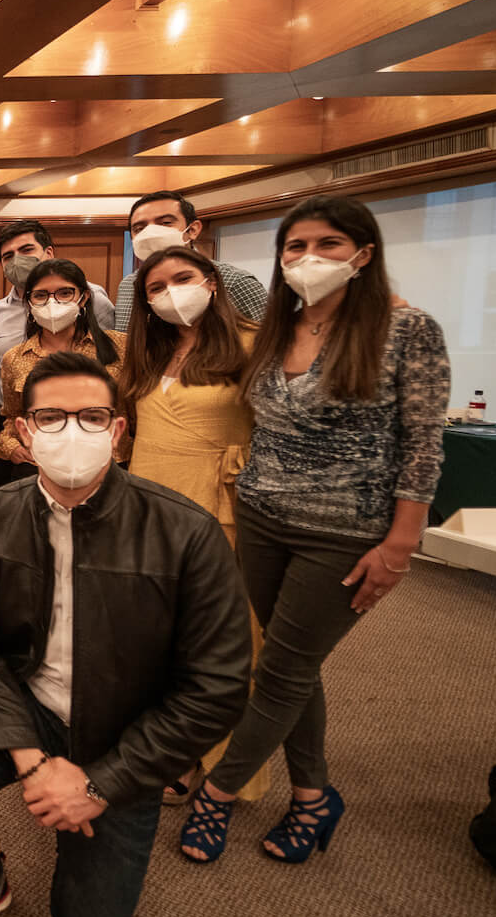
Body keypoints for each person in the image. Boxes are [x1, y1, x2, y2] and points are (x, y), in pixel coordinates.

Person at [0, 352, 251, 917]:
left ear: (117, 431)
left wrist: (101, 785)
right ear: (23, 433)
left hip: (126, 726)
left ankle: (90, 825)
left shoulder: (186, 531)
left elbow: (218, 686)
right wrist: (33, 763)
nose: (72, 432)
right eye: (51, 417)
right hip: (27, 701)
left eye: (91, 417)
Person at [180, 196, 449, 864]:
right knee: (293, 663)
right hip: (262, 518)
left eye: (328, 244)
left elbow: (423, 447)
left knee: (279, 668)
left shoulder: (406, 329)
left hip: (344, 531)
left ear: (364, 253)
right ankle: (312, 795)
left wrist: (401, 545)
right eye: (295, 246)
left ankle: (216, 793)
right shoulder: (279, 324)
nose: (309, 258)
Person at [120, 246, 269, 804]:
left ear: (212, 281)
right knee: (156, 638)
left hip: (218, 507)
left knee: (221, 640)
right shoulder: (147, 350)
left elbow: (282, 432)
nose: (170, 294)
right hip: (147, 507)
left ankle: (224, 769)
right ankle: (171, 747)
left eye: (182, 279)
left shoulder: (255, 344)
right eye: (156, 288)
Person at [0, 260, 128, 474]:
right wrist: (11, 447)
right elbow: (13, 416)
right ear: (29, 302)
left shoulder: (120, 346)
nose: (52, 303)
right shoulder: (14, 358)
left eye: (65, 293)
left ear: (84, 297)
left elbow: (138, 412)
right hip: (41, 467)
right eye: (40, 295)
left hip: (110, 464)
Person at [111, 191, 265, 331]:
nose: (150, 233)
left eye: (165, 223)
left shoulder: (235, 282)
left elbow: (268, 346)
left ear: (193, 230)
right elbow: (124, 343)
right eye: (139, 229)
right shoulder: (128, 286)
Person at [0, 220, 115, 360]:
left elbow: (110, 351)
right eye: (8, 256)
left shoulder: (89, 296)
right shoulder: (0, 310)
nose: (17, 260)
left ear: (49, 253)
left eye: (27, 250)